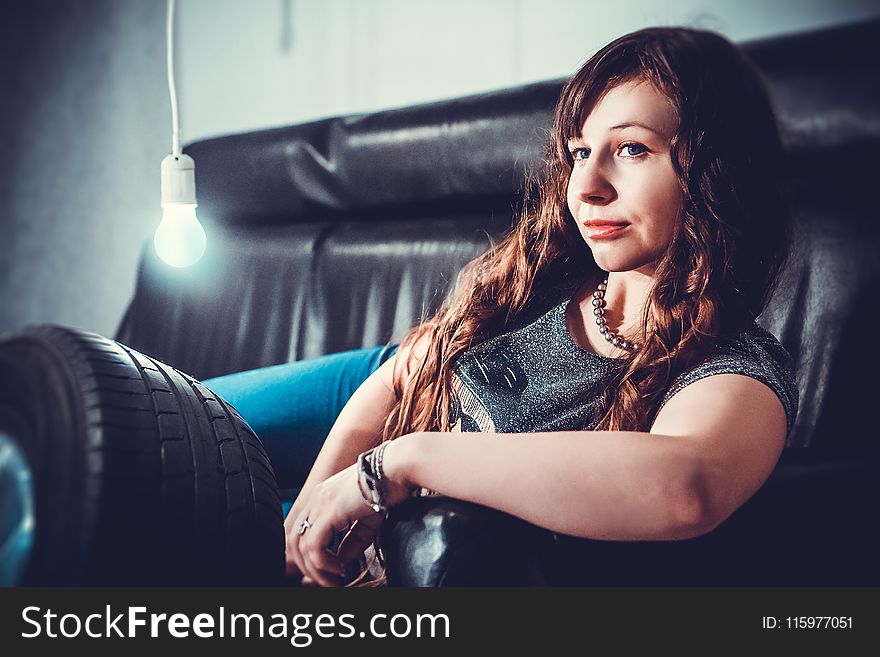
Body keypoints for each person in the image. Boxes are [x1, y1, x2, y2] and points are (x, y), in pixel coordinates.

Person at [206, 26, 798, 587]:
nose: (587, 185)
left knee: (183, 528)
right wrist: (312, 512)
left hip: (396, 483)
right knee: (149, 428)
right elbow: (409, 369)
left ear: (718, 171)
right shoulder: (547, 274)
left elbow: (686, 488)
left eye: (632, 149)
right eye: (579, 151)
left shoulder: (731, 367)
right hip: (385, 387)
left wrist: (401, 466)